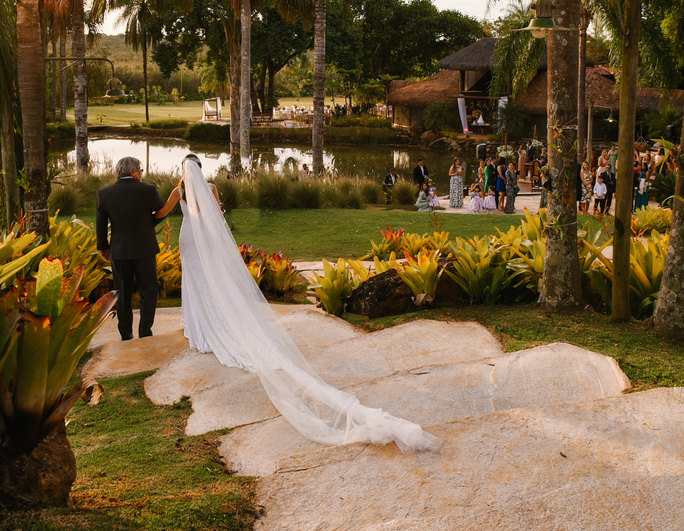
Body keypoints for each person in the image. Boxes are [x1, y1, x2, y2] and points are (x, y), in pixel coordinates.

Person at [167, 154, 439, 453]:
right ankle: (212, 322)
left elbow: (161, 213)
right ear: (200, 169)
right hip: (207, 237)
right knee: (213, 281)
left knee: (196, 281)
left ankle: (198, 327)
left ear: (183, 171)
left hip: (190, 238)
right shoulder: (212, 187)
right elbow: (218, 215)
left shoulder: (178, 192)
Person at [95, 156, 179, 340]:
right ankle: (145, 332)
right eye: (140, 170)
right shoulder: (148, 190)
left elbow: (100, 225)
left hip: (119, 251)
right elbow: (162, 210)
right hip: (144, 249)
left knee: (122, 293)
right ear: (132, 171)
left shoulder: (105, 193)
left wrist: (104, 248)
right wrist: (148, 224)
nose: (142, 173)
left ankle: (125, 334)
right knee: (149, 291)